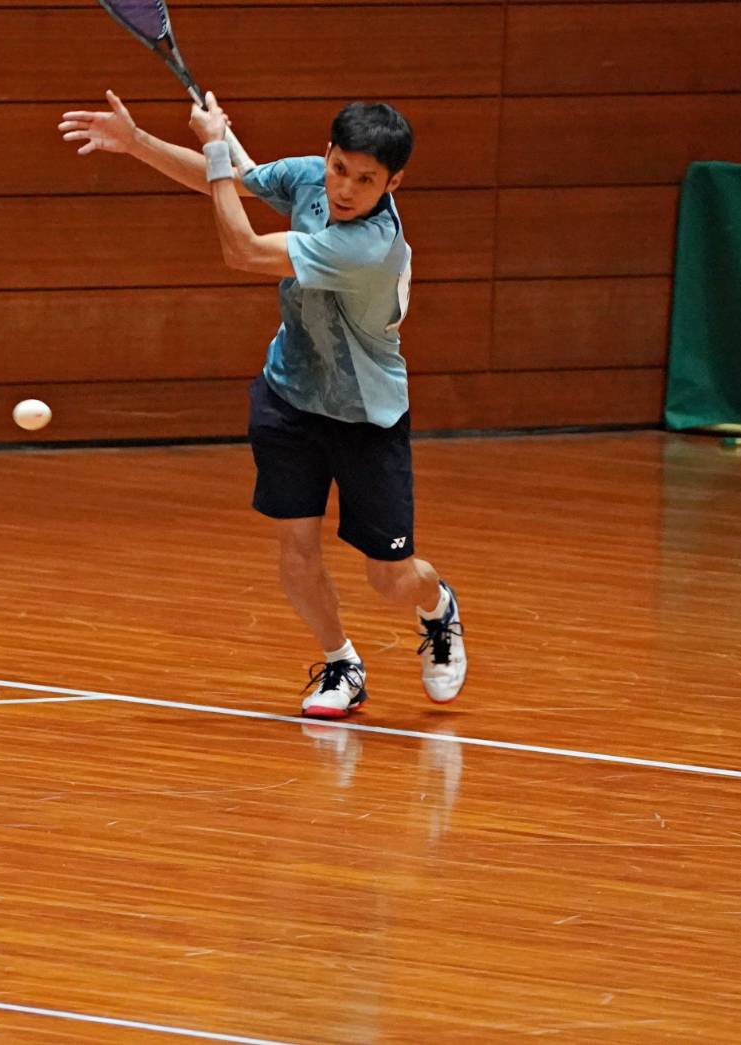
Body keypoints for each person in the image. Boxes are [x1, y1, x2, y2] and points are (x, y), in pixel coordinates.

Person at [58, 92, 467, 718]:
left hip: (365, 414)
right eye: (340, 168)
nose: (346, 188)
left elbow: (242, 249)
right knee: (297, 551)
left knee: (390, 576)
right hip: (289, 393)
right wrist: (139, 143)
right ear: (328, 153)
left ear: (393, 183)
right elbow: (236, 182)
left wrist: (218, 144)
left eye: (366, 180)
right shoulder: (310, 176)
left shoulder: (370, 248)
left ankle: (438, 608)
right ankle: (341, 664)